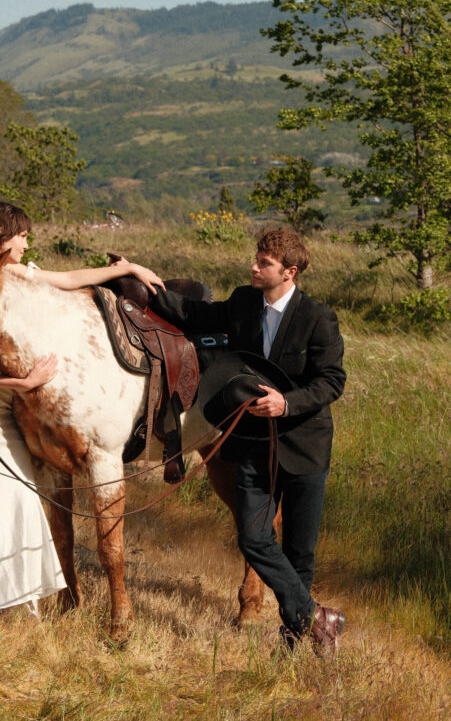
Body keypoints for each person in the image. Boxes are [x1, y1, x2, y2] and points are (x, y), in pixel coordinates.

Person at [0, 201, 164, 618]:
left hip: (10, 403)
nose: (27, 242)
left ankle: (4, 588)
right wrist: (23, 384)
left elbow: (68, 280)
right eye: (22, 235)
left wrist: (125, 270)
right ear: (2, 238)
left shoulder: (2, 274)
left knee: (6, 498)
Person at [147, 225, 347, 654]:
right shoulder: (242, 302)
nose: (253, 267)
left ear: (289, 272)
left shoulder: (318, 318)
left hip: (304, 446)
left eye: (264, 264)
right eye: (255, 259)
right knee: (253, 537)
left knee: (299, 551)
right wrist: (142, 281)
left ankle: (294, 643)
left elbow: (332, 381)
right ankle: (318, 617)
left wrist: (287, 402)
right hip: (252, 443)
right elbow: (192, 313)